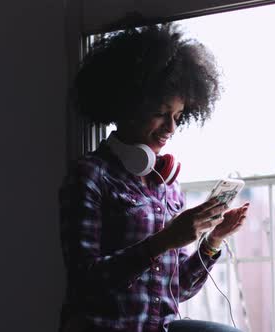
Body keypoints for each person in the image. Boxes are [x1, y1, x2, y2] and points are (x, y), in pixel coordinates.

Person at [58, 23, 250, 332]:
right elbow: (85, 284)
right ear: (127, 105)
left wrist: (214, 239)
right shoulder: (90, 176)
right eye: (161, 113)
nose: (171, 128)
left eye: (177, 117)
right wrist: (165, 240)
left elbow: (180, 288)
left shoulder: (168, 186)